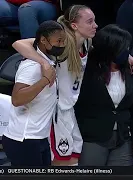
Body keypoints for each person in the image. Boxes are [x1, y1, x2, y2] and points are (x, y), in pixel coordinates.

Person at [11, 4, 133, 166]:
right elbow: (19, 44)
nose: (96, 25)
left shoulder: (87, 43)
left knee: (73, 162)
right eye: (90, 22)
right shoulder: (63, 42)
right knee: (62, 163)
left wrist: (128, 57)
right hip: (55, 113)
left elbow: (109, 47)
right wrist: (44, 63)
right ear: (74, 26)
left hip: (69, 111)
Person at [74, 24, 133, 166]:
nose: (126, 52)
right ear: (109, 50)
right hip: (92, 138)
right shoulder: (86, 70)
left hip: (122, 139)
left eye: (127, 48)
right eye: (122, 49)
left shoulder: (132, 71)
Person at [2, 20, 65, 166]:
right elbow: (17, 99)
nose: (62, 45)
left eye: (64, 41)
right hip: (23, 139)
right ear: (43, 40)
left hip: (39, 137)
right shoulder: (31, 66)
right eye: (59, 41)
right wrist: (44, 80)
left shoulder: (47, 61)